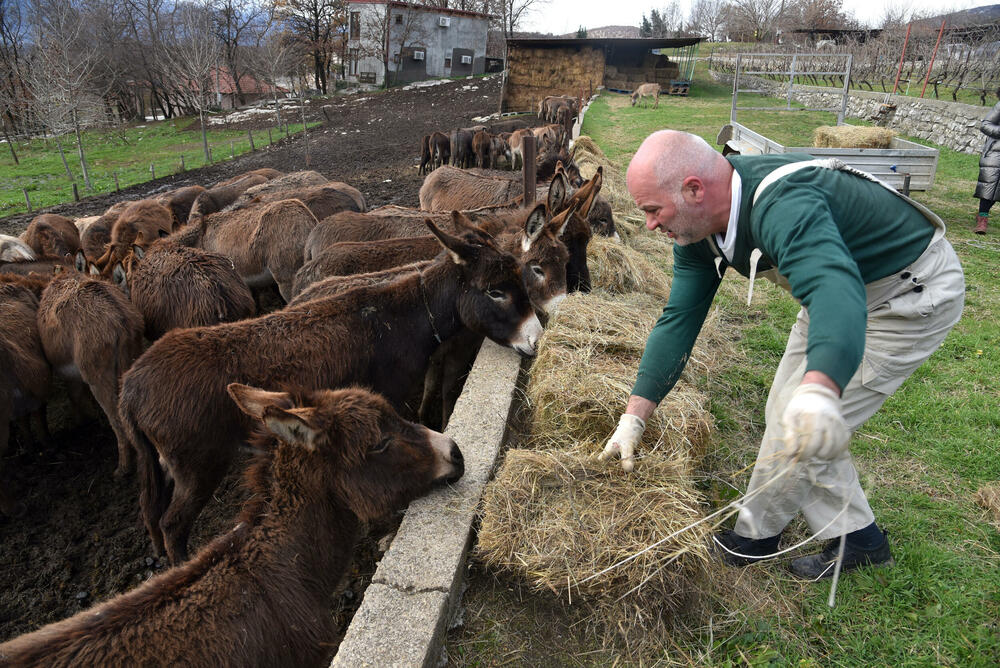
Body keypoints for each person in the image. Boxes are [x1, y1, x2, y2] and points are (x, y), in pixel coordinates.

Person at [600, 130, 965, 579]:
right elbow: (679, 319)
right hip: (832, 289)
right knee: (783, 412)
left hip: (902, 297)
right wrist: (633, 417)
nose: (651, 225)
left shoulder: (783, 205)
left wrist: (821, 387)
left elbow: (837, 291)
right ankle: (861, 539)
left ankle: (753, 539)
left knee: (799, 418)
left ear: (694, 189)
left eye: (654, 210)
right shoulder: (696, 230)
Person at [974, 86, 1000, 234]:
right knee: (989, 186)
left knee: (997, 190)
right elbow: (985, 125)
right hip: (996, 152)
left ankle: (982, 214)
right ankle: (982, 218)